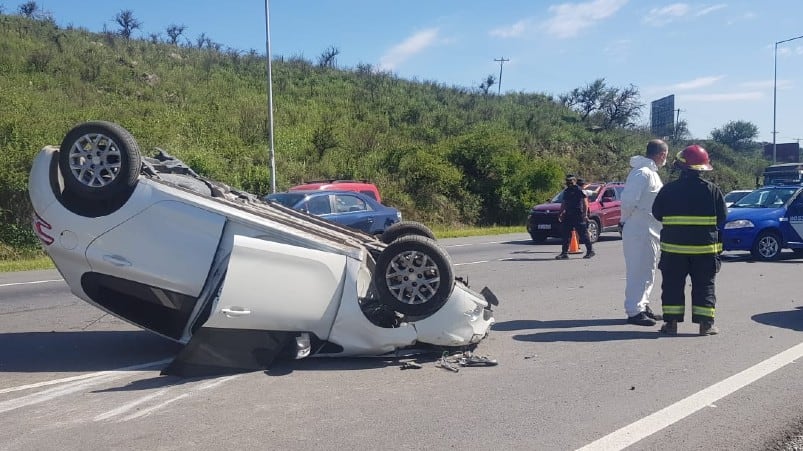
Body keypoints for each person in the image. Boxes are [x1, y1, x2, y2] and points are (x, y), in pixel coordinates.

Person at [652, 144, 727, 336]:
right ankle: (706, 325)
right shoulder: (713, 191)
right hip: (705, 251)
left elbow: (657, 213)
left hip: (674, 251)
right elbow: (722, 217)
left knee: (672, 286)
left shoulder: (668, 190)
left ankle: (671, 324)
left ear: (682, 166)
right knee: (705, 286)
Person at [620, 139, 669, 326]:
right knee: (638, 271)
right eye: (666, 155)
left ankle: (642, 304)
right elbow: (627, 201)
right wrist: (624, 221)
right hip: (639, 228)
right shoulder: (642, 173)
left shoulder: (652, 173)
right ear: (661, 154)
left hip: (650, 229)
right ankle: (634, 311)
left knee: (648, 270)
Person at [555, 174, 594, 259]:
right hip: (568, 215)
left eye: (571, 181)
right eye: (567, 181)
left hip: (578, 215)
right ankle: (564, 253)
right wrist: (560, 213)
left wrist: (585, 214)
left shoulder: (579, 190)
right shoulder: (566, 191)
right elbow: (564, 203)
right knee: (565, 234)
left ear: (575, 181)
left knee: (583, 234)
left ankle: (590, 251)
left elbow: (585, 202)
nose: (569, 183)